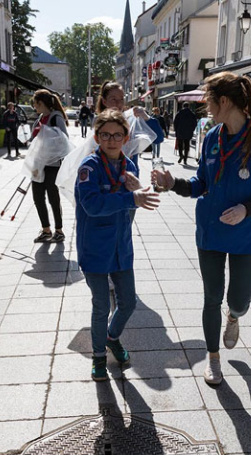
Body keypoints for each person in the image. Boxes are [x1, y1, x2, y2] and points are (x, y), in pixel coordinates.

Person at [152, 72, 251, 386]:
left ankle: (235, 316)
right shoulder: (212, 136)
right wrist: (174, 184)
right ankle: (214, 359)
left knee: (238, 300)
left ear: (224, 101)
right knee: (211, 297)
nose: (207, 109)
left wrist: (246, 209)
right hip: (210, 230)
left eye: (209, 102)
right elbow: (201, 184)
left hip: (245, 233)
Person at [75, 109, 160, 380]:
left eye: (117, 135)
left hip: (121, 248)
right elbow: (92, 205)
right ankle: (98, 356)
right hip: (95, 248)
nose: (111, 140)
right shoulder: (89, 167)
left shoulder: (130, 166)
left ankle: (112, 337)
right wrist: (130, 198)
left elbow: (134, 205)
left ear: (126, 137)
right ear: (97, 136)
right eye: (105, 135)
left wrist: (139, 192)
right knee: (101, 305)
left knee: (128, 303)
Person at [30, 89, 68, 243]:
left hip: (52, 164)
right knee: (38, 197)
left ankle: (59, 231)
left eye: (35, 103)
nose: (34, 106)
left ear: (41, 103)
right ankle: (46, 229)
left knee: (53, 198)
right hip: (38, 164)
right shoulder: (40, 118)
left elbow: (64, 140)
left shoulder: (55, 117)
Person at [96, 81, 164, 167]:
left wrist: (146, 118)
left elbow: (158, 138)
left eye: (121, 99)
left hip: (130, 176)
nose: (118, 103)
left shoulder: (130, 120)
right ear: (104, 101)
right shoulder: (100, 124)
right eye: (113, 99)